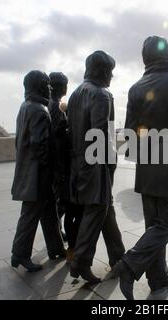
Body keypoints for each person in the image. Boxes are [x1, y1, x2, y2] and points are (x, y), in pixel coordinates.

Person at [114, 36, 168, 300]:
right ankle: (129, 265)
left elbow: (130, 133)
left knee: (153, 225)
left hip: (146, 166)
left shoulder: (135, 88)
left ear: (145, 58)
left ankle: (158, 277)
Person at [67, 51, 125, 284]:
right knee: (96, 211)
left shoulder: (74, 94)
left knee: (104, 208)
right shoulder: (101, 95)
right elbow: (103, 135)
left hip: (79, 163)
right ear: (102, 71)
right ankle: (80, 263)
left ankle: (118, 258)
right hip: (96, 164)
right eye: (110, 71)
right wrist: (111, 165)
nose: (111, 76)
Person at [11, 70, 66, 272]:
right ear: (40, 86)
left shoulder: (25, 107)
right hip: (38, 176)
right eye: (47, 84)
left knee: (49, 211)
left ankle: (56, 247)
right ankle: (20, 254)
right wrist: (51, 170)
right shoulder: (39, 111)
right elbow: (40, 145)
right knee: (30, 215)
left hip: (30, 172)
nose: (50, 88)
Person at [48, 72, 84, 262]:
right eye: (65, 85)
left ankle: (58, 237)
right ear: (61, 87)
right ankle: (63, 244)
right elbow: (57, 138)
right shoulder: (54, 107)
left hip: (58, 165)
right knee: (64, 204)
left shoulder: (51, 105)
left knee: (59, 205)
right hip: (61, 165)